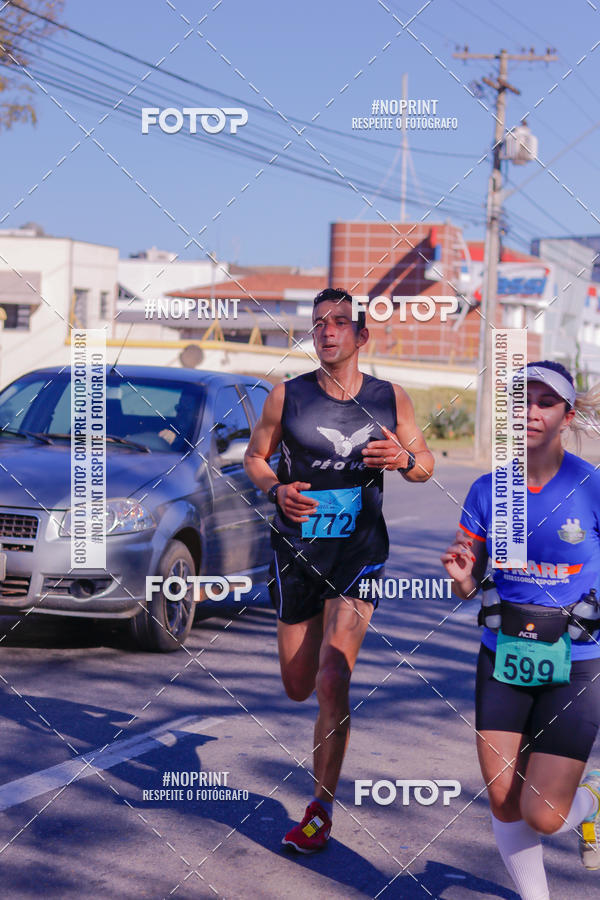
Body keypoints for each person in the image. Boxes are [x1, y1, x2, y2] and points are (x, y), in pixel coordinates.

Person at [244, 287, 434, 852]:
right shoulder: (287, 396)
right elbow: (254, 457)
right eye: (318, 323)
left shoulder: (390, 398)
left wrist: (402, 459)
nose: (326, 331)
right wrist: (277, 489)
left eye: (338, 323)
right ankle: (319, 798)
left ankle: (319, 811)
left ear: (361, 336)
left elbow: (424, 464)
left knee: (333, 677)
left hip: (358, 554)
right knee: (299, 685)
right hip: (297, 553)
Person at [441, 360, 600, 900]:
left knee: (545, 815)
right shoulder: (491, 490)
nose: (531, 413)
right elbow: (468, 584)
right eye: (521, 402)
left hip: (576, 662)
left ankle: (589, 802)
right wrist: (462, 579)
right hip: (503, 654)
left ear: (566, 415)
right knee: (505, 800)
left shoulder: (591, 487)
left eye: (545, 403)